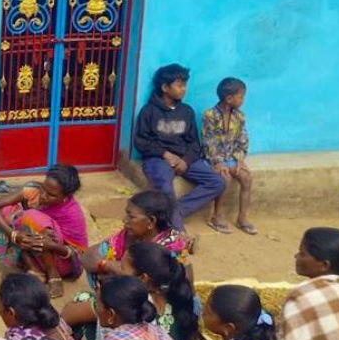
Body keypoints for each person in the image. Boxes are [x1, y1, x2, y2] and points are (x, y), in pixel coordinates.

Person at [133, 63, 225, 231]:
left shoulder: (186, 111)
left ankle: (176, 211)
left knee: (217, 182)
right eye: (179, 85)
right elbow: (142, 142)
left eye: (185, 85)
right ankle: (178, 234)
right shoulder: (149, 111)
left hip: (183, 158)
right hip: (158, 158)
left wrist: (186, 161)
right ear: (165, 87)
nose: (184, 89)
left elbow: (193, 143)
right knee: (165, 188)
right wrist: (165, 154)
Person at [64, 241, 197, 340]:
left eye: (122, 266)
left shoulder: (126, 299)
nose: (116, 268)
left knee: (84, 299)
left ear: (143, 278)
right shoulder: (171, 291)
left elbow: (67, 315)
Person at [0, 163, 89, 298]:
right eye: (43, 189)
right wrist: (14, 235)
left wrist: (50, 245)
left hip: (62, 260)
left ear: (65, 197)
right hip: (35, 249)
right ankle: (35, 270)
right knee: (8, 211)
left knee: (32, 217)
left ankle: (53, 275)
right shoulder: (33, 191)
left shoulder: (72, 212)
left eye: (51, 195)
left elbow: (78, 254)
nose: (43, 196)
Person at [80, 190, 190, 289]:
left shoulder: (170, 249)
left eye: (131, 217)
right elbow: (87, 257)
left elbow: (146, 288)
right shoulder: (128, 236)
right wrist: (107, 265)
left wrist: (111, 271)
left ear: (151, 222)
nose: (124, 220)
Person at [202, 77, 255, 235]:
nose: (243, 100)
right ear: (229, 98)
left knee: (246, 177)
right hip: (212, 159)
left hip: (232, 158)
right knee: (224, 178)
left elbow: (243, 138)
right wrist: (217, 162)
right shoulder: (209, 115)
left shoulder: (240, 116)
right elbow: (208, 141)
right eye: (241, 96)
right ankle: (216, 216)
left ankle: (242, 218)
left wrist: (239, 159)